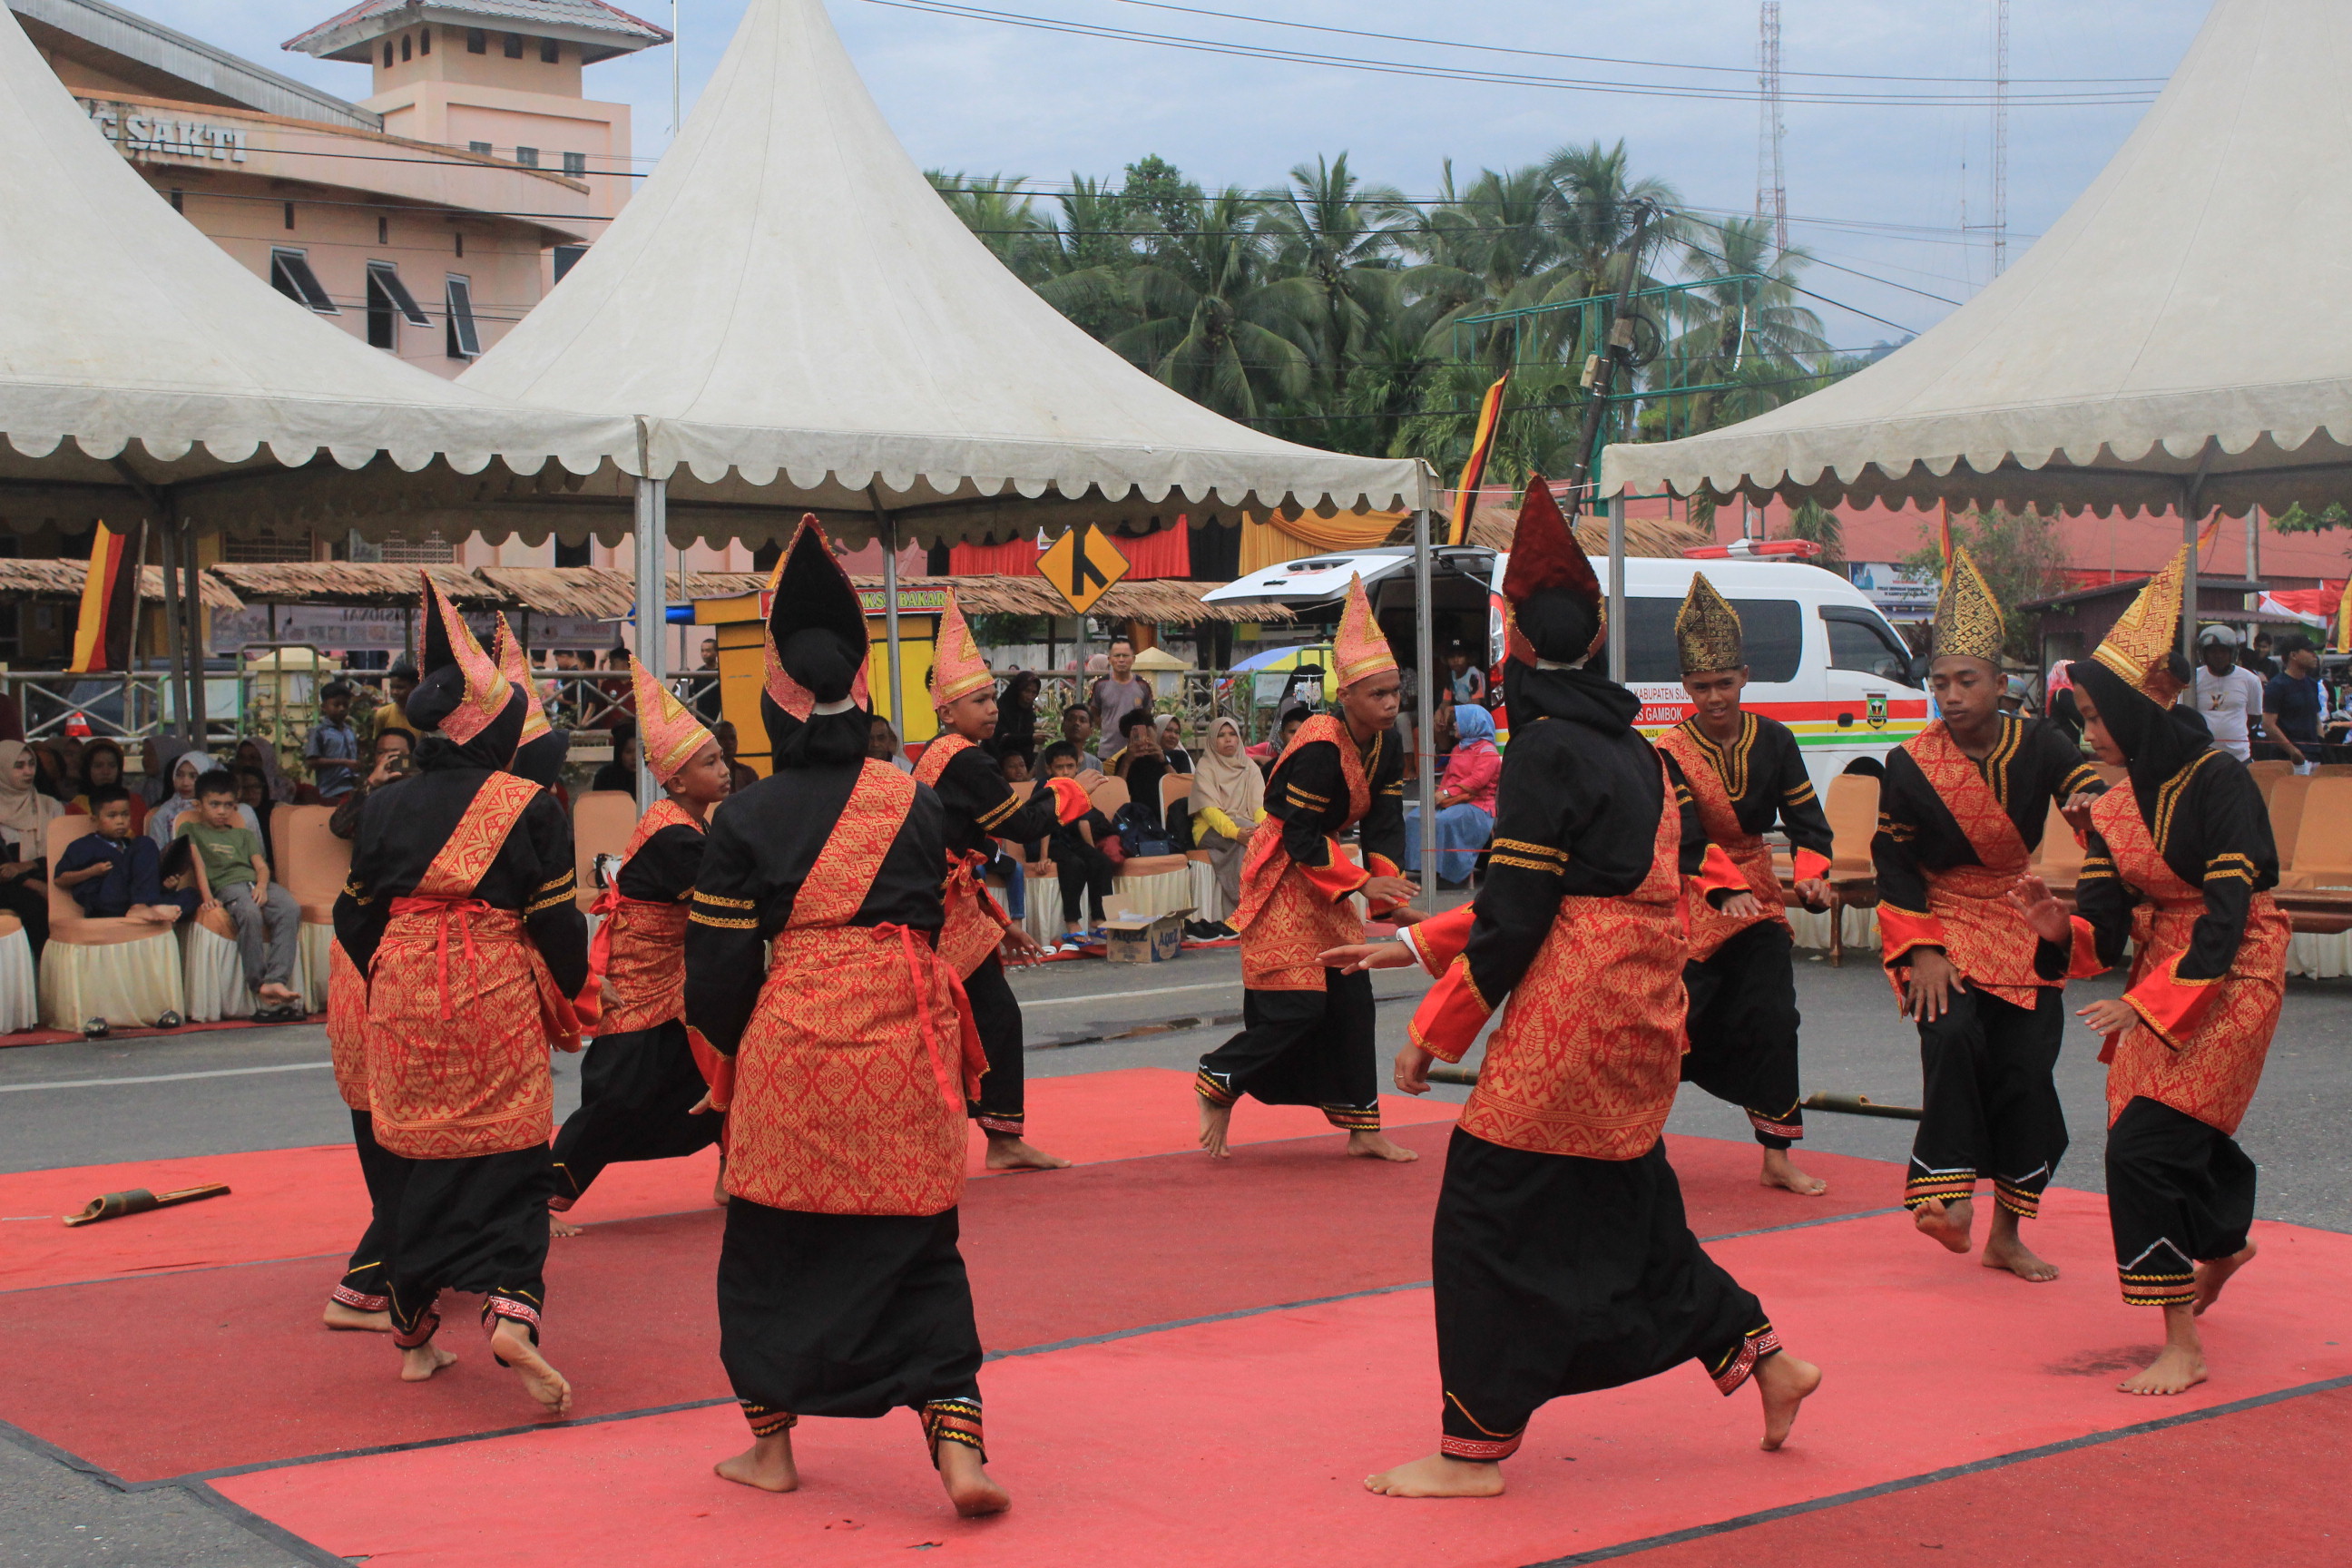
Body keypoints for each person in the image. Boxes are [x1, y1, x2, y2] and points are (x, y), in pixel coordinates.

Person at [1325, 475, 1816, 1499]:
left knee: (1482, 1211)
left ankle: (1472, 1450)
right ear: (1594, 644)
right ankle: (1765, 1358)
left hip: (1574, 1019)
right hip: (1641, 1010)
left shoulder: (1546, 750)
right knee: (1633, 1208)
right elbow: (1575, 894)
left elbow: (1519, 917)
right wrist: (1416, 944)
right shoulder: (1636, 751)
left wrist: (1433, 1031)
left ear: (1511, 648)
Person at [683, 518, 1008, 1516]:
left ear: (771, 707)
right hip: (907, 1035)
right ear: (864, 695)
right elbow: (934, 919)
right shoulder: (912, 802)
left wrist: (729, 1059)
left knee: (770, 1251)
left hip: (794, 1045)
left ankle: (772, 1450)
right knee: (922, 1248)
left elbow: (718, 976)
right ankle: (958, 1455)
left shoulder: (743, 816)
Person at [2011, 545, 2286, 1397]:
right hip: (2164, 974)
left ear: (2138, 707)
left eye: (2098, 718)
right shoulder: (2110, 804)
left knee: (2141, 1147)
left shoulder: (2221, 783)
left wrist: (2152, 1004)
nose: (2089, 736)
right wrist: (2059, 929)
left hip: (2237, 969)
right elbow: (2102, 927)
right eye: (2085, 719)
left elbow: (2230, 917)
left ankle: (2182, 1343)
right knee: (2161, 1130)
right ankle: (2224, 1244)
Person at [333, 576, 587, 1415]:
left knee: (415, 1158)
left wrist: (396, 969)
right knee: (510, 1154)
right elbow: (555, 922)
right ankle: (511, 1307)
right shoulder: (529, 806)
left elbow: (354, 915)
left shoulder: (382, 806)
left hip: (405, 987)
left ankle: (415, 1341)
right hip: (491, 986)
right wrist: (572, 988)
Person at [1875, 546, 2105, 1280]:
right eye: (1939, 682)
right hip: (1943, 917)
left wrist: (2090, 804)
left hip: (2018, 913)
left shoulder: (2040, 742)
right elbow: (1893, 864)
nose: (1951, 694)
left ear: (2001, 684)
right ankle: (1949, 1202)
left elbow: (2089, 789)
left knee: (2025, 1074)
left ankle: (2007, 1233)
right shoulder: (1909, 763)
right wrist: (1921, 950)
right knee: (1949, 1038)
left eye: (1966, 680)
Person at [1193, 574, 1423, 1161]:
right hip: (1283, 870)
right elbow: (1297, 835)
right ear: (1347, 695)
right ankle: (1219, 1079)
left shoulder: (1387, 742)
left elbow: (1385, 823)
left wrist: (1388, 899)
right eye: (1378, 694)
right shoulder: (1321, 746)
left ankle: (1363, 1128)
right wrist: (1362, 882)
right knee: (1297, 1004)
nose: (1391, 703)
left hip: (1326, 870)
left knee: (1353, 999)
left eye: (1395, 692)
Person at [1654, 573, 1838, 1199]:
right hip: (1693, 897)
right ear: (1685, 686)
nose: (1715, 697)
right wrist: (1721, 887)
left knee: (1774, 1018)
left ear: (1745, 677)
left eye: (1725, 683)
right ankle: (1631, 1143)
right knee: (1676, 1022)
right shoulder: (1669, 750)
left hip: (1758, 901)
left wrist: (1812, 880)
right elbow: (1683, 835)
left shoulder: (1775, 740)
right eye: (1702, 686)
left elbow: (1809, 824)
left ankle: (1777, 1156)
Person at [913, 593, 1089, 1171]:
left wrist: (998, 921)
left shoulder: (941, 753)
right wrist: (1067, 791)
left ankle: (993, 1136)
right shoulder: (965, 760)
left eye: (993, 698)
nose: (993, 710)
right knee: (983, 1018)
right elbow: (1022, 826)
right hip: (940, 908)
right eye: (981, 701)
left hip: (942, 901)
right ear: (947, 711)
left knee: (971, 1017)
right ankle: (999, 1140)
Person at [552, 661, 733, 1210]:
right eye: (710, 762)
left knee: (722, 1069)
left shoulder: (689, 822)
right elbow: (730, 896)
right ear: (676, 781)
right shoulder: (676, 837)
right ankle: (546, 1194)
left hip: (676, 980)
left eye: (722, 757)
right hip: (641, 980)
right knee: (617, 1095)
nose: (725, 769)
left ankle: (735, 1173)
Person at [180, 769, 305, 1020]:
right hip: (228, 886)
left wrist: (261, 886)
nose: (222, 811)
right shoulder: (190, 828)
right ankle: (258, 984)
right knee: (249, 913)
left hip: (256, 883)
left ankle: (276, 979)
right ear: (198, 805)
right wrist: (207, 897)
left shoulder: (243, 834)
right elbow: (198, 865)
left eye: (228, 805)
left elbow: (261, 866)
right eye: (214, 804)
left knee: (290, 908)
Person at [1402, 701, 1500, 889]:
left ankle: (1451, 873)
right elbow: (1447, 777)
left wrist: (1446, 794)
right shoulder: (1458, 748)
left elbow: (1476, 782)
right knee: (1415, 817)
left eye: (1458, 721)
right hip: (1452, 801)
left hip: (1477, 805)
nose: (1454, 724)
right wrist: (1439, 795)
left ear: (1472, 723)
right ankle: (1425, 869)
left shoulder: (1487, 752)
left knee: (1443, 821)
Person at [52, 788, 180, 924]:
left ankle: (146, 908)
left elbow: (142, 881)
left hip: (129, 901)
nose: (120, 821)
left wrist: (164, 887)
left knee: (190, 895)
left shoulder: (131, 846)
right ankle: (142, 907)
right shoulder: (83, 846)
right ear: (95, 819)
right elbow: (60, 879)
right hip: (105, 901)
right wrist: (92, 871)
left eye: (125, 814)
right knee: (145, 842)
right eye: (112, 816)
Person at [1188, 716, 1264, 936]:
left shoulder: (1249, 766)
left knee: (1253, 841)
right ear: (1212, 740)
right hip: (1209, 830)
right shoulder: (1206, 766)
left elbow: (1259, 805)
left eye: (1232, 734)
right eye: (1221, 735)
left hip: (1246, 828)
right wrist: (1235, 832)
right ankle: (1246, 911)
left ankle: (1241, 915)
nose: (1228, 739)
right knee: (1245, 841)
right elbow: (1209, 810)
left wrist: (1263, 828)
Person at [1039, 742, 1114, 946]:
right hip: (1050, 840)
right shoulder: (1044, 788)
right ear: (1049, 768)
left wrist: (1091, 852)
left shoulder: (1078, 787)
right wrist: (1043, 856)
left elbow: (1083, 822)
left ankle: (1099, 918)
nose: (1065, 772)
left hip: (1072, 838)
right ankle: (1072, 922)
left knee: (1101, 861)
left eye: (1070, 766)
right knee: (1074, 864)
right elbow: (1043, 824)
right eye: (1059, 767)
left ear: (1077, 767)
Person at [0, 740, 57, 956]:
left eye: (31, 764)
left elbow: (63, 852)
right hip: (8, 885)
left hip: (52, 878)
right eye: (19, 766)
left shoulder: (49, 806)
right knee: (32, 906)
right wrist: (33, 884)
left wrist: (28, 866)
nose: (28, 771)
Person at [2190, 625, 2266, 763]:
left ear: (2233, 653)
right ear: (2204, 654)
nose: (2218, 656)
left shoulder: (2250, 680)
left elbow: (2254, 716)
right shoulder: (2193, 679)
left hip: (2239, 756)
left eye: (2223, 651)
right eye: (2212, 651)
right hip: (2203, 757)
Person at [330, 731, 416, 841]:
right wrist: (372, 783)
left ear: (411, 757)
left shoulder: (423, 788)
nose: (386, 759)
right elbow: (339, 828)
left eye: (395, 753)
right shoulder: (364, 791)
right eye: (381, 753)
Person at [2259, 634, 2325, 771]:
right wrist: (2293, 752)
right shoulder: (2277, 686)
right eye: (2309, 651)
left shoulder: (2312, 684)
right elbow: (2268, 724)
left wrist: (2321, 744)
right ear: (2293, 655)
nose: (2315, 656)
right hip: (2288, 760)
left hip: (2314, 757)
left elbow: (2316, 718)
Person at [66, 740, 147, 833]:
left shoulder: (136, 802)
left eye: (112, 766)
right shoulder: (76, 807)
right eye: (98, 766)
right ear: (87, 770)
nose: (106, 772)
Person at [305, 683, 362, 802]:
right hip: (330, 790)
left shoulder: (349, 730)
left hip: (351, 787)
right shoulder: (319, 732)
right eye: (336, 705)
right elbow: (311, 761)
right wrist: (344, 762)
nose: (341, 709)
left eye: (345, 705)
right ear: (324, 707)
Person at [1091, 637, 1152, 740]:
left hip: (1136, 747)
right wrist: (1107, 729)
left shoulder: (1143, 685)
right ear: (1109, 660)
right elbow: (1094, 714)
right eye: (1117, 656)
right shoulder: (1100, 685)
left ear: (1133, 659)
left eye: (1125, 656)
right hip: (1108, 748)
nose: (1121, 660)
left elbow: (1147, 716)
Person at [994, 672, 1040, 767]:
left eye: (1034, 693)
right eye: (1026, 691)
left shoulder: (1027, 713)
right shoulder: (1001, 710)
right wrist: (1030, 738)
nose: (1029, 697)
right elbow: (1002, 739)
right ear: (1017, 690)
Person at [237, 736, 299, 806]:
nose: (246, 763)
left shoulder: (284, 787)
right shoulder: (232, 785)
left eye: (253, 758)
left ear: (267, 760)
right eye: (241, 757)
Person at [370, 663, 419, 745]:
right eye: (392, 687)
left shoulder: (424, 715)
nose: (394, 692)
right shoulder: (382, 715)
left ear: (415, 687)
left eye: (400, 687)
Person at [713, 720, 760, 793]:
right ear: (712, 742)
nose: (729, 742)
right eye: (722, 738)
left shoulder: (748, 773)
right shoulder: (705, 773)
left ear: (737, 742)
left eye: (732, 738)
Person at [1059, 703, 1102, 769]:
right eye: (1071, 719)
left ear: (1091, 731)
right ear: (1062, 727)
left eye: (1083, 720)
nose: (1076, 723)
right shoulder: (1047, 757)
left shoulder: (1095, 764)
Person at [1443, 642, 1485, 708]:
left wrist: (1454, 709)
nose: (1456, 660)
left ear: (1468, 658)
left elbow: (1476, 704)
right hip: (1463, 707)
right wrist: (1440, 710)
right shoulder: (1451, 675)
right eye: (1451, 656)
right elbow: (1446, 701)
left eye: (1460, 656)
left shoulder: (1473, 674)